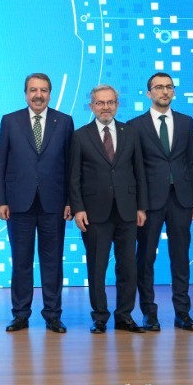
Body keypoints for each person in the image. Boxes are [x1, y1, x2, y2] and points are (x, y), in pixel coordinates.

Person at [0, 72, 74, 333]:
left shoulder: (64, 121)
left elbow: (71, 165)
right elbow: (0, 162)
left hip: (54, 203)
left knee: (53, 262)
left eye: (43, 90)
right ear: (25, 93)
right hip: (19, 204)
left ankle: (53, 315)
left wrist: (71, 201)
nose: (38, 95)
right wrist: (0, 200)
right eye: (33, 90)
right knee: (21, 261)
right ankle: (20, 314)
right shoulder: (10, 121)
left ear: (50, 93)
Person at [68, 84, 147, 334]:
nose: (106, 107)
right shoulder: (80, 136)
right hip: (94, 213)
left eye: (110, 102)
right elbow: (73, 177)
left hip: (127, 211)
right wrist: (78, 208)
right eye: (100, 103)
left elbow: (139, 172)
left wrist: (141, 206)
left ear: (117, 105)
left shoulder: (130, 132)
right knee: (97, 268)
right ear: (91, 106)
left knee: (128, 267)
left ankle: (124, 316)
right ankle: (100, 317)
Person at [128, 72, 193, 332]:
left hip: (181, 199)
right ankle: (149, 313)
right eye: (158, 87)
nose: (164, 91)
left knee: (181, 258)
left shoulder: (186, 121)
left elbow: (191, 162)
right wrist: (138, 205)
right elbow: (133, 169)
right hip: (149, 202)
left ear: (174, 91)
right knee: (145, 259)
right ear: (149, 93)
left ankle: (183, 313)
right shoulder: (135, 125)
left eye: (169, 87)